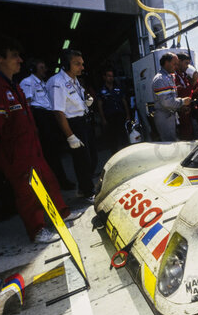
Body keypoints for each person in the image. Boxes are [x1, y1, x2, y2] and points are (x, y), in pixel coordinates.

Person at [0, 36, 79, 244]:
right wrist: (7, 149)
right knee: (27, 192)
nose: (20, 60)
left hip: (33, 148)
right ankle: (37, 229)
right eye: (14, 56)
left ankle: (61, 214)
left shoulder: (13, 85)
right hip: (15, 154)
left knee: (49, 181)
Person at [47, 49, 97, 201]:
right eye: (77, 64)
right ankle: (88, 192)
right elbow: (58, 112)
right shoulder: (57, 82)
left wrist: (86, 101)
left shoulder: (74, 80)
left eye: (82, 64)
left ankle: (84, 188)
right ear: (67, 64)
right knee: (82, 161)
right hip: (73, 125)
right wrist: (70, 136)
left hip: (83, 121)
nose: (82, 67)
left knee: (91, 158)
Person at [20, 59, 75, 190]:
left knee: (55, 151)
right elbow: (26, 105)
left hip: (49, 117)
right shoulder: (27, 82)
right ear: (33, 68)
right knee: (49, 153)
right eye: (41, 67)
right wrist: (34, 126)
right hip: (39, 117)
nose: (45, 69)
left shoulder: (44, 83)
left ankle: (60, 181)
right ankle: (58, 183)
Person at [152, 53, 191, 141]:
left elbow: (171, 99)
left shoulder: (168, 77)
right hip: (164, 117)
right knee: (168, 144)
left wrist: (180, 108)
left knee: (173, 142)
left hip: (169, 115)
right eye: (175, 64)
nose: (176, 66)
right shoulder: (161, 79)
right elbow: (166, 102)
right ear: (166, 63)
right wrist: (182, 102)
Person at [96, 68, 131, 152]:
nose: (111, 78)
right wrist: (103, 119)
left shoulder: (118, 88)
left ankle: (127, 153)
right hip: (109, 117)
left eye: (112, 76)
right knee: (112, 139)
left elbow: (124, 102)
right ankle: (114, 154)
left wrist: (128, 115)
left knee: (124, 137)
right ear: (104, 77)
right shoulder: (101, 91)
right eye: (109, 76)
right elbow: (99, 105)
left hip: (120, 115)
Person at [174, 53, 196, 140]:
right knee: (183, 136)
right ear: (179, 61)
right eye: (186, 63)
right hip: (179, 111)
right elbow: (179, 93)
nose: (188, 66)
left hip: (187, 110)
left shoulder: (184, 76)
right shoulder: (174, 76)